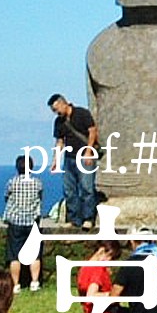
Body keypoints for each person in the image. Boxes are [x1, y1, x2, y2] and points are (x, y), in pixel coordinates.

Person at [48, 93, 99, 232]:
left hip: (84, 156)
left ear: (64, 103)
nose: (56, 112)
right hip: (69, 158)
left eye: (56, 109)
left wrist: (89, 151)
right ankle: (73, 219)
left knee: (86, 188)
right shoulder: (59, 122)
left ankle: (88, 218)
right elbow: (59, 141)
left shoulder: (82, 113)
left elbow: (92, 131)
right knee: (69, 189)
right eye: (54, 110)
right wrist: (55, 160)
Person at [3, 156, 44, 291]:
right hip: (32, 222)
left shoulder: (12, 182)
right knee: (35, 254)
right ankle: (35, 282)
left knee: (15, 255)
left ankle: (16, 285)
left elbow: (6, 197)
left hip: (15, 222)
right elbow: (40, 198)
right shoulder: (37, 183)